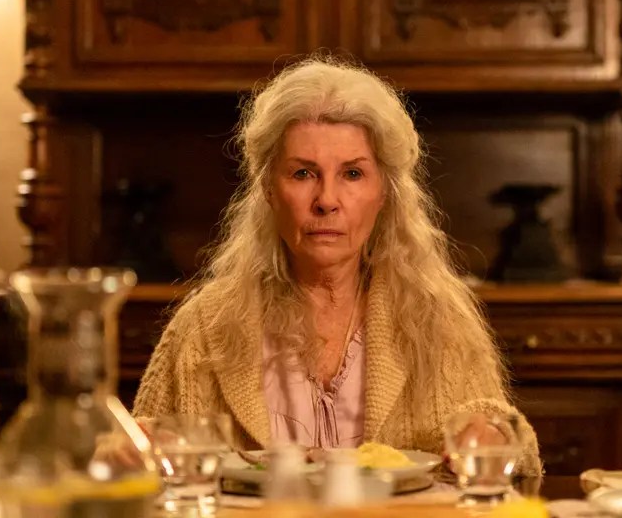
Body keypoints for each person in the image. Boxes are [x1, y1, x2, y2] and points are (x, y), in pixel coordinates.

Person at [132, 56, 541, 477]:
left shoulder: (439, 319)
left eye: (352, 174)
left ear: (384, 193)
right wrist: (134, 448)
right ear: (268, 188)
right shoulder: (203, 327)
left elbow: (517, 462)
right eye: (303, 173)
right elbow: (135, 469)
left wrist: (496, 434)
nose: (327, 200)